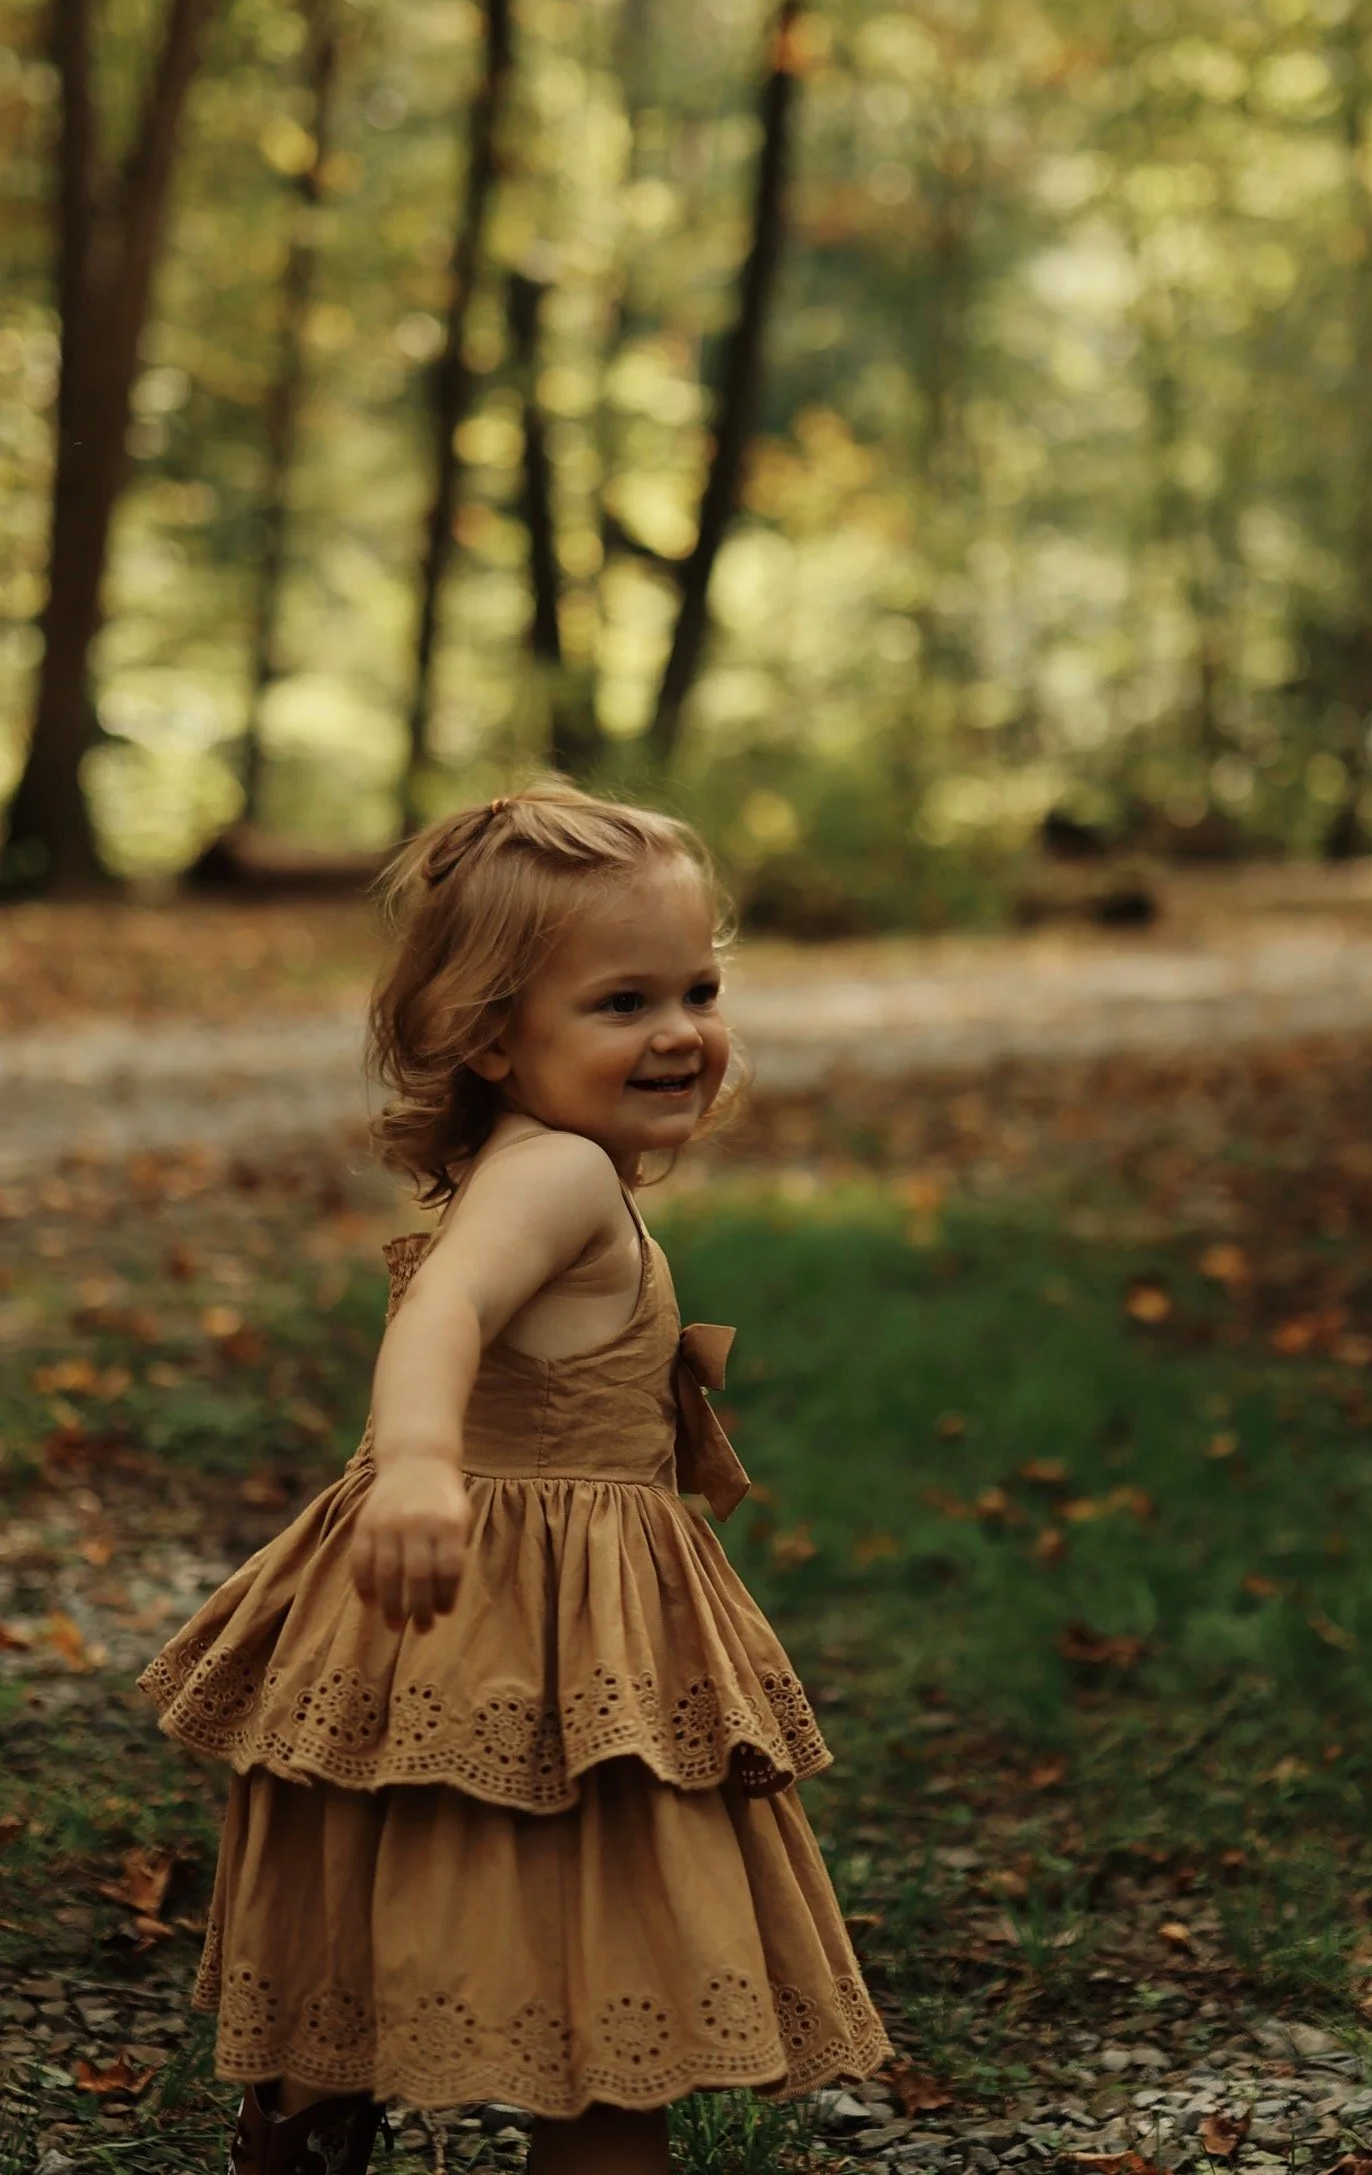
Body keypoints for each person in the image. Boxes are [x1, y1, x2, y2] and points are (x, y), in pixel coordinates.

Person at [139, 782, 889, 2175]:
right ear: (490, 1036)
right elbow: (444, 1315)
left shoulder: (545, 1162)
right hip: (526, 1621)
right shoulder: (555, 1181)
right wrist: (421, 1464)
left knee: (414, 1861)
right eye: (623, 1002)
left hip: (520, 1615)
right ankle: (403, 2110)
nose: (680, 1032)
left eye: (699, 987)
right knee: (608, 1970)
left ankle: (310, 2110)